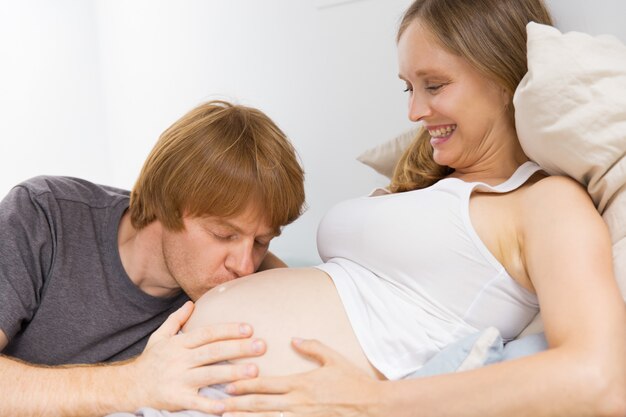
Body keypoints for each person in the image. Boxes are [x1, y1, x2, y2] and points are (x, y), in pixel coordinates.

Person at [121, 0, 626, 416]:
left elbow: (599, 379)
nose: (414, 111)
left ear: (501, 75)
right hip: (174, 390)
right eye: (409, 88)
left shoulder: (546, 202)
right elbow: (349, 296)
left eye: (435, 85)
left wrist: (378, 402)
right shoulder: (424, 187)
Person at [0, 100, 306, 416]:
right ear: (165, 204)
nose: (244, 266)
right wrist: (133, 383)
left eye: (261, 241)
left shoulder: (249, 278)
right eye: (222, 234)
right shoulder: (44, 217)